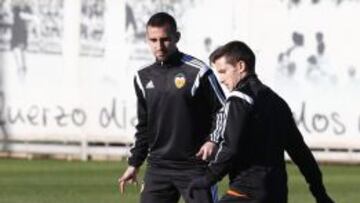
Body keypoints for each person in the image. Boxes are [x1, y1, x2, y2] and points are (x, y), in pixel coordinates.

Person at [187, 41, 334, 203]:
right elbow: (300, 152)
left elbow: (230, 147)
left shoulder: (239, 99)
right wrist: (319, 193)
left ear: (241, 66)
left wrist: (207, 179)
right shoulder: (278, 102)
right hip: (277, 193)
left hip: (246, 192)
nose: (221, 79)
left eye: (223, 71)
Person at [118, 12, 226, 203]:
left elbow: (224, 110)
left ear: (177, 37)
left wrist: (213, 141)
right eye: (153, 40)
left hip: (195, 167)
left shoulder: (198, 71)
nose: (159, 46)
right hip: (158, 167)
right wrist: (134, 164)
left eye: (165, 39)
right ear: (147, 39)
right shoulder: (142, 77)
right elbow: (144, 126)